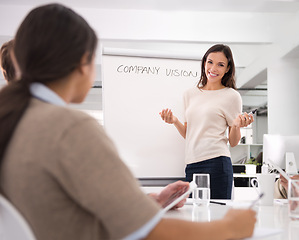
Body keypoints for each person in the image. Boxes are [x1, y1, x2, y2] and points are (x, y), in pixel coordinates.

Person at [0, 4, 256, 240]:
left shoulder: (13, 117)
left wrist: (153, 201)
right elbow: (146, 230)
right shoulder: (72, 128)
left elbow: (69, 201)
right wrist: (229, 228)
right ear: (81, 64)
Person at [160, 44, 254, 199]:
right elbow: (189, 134)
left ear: (228, 69)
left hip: (217, 162)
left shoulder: (231, 96)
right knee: (194, 216)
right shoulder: (189, 94)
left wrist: (236, 125)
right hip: (192, 164)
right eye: (210, 62)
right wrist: (175, 121)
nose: (213, 68)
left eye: (220, 64)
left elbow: (233, 141)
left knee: (218, 217)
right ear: (204, 63)